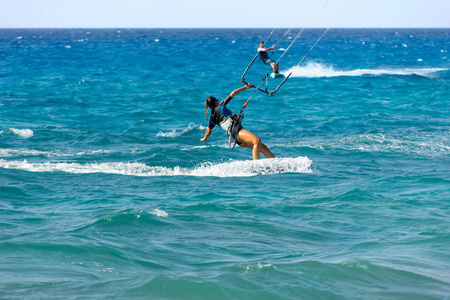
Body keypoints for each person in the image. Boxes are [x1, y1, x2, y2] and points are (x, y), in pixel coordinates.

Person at [200, 83, 275, 160]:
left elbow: (208, 131)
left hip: (235, 137)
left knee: (263, 148)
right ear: (216, 102)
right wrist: (245, 87)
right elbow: (234, 93)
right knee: (257, 140)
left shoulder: (212, 117)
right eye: (217, 100)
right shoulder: (221, 105)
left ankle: (276, 164)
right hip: (236, 130)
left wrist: (204, 138)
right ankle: (256, 165)